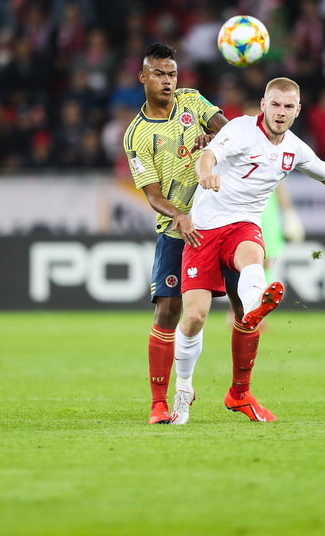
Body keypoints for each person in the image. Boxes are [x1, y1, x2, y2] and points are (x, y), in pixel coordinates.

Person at [176, 77, 325, 423]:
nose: (281, 112)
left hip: (243, 226)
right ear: (264, 104)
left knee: (254, 257)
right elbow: (207, 156)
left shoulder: (294, 149)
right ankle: (183, 388)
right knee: (194, 316)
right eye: (275, 104)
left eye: (288, 107)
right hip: (205, 229)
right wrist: (206, 174)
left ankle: (254, 316)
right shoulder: (240, 129)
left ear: (297, 111)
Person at [122, 43, 238, 425]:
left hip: (220, 219)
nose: (168, 81)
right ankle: (159, 402)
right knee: (168, 310)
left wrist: (215, 143)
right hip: (178, 230)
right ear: (143, 77)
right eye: (159, 74)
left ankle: (242, 391)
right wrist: (179, 218)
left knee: (242, 305)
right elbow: (152, 195)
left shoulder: (192, 100)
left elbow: (228, 130)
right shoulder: (137, 135)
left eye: (172, 73)